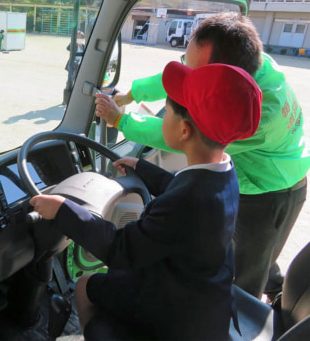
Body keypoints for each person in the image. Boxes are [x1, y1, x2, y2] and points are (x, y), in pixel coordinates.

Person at [31, 61, 262, 340]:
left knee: (85, 285)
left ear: (184, 130)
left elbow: (121, 249)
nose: (161, 117)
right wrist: (144, 169)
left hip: (174, 312)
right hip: (201, 296)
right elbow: (179, 189)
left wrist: (63, 209)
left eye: (167, 111)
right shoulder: (223, 172)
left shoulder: (188, 201)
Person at [96, 12, 310, 300]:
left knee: (246, 276)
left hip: (272, 192)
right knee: (260, 253)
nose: (189, 71)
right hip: (263, 173)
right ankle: (272, 282)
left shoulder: (257, 117)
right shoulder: (252, 62)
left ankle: (242, 322)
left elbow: (185, 134)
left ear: (223, 78)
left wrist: (123, 121)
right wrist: (133, 93)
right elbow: (186, 80)